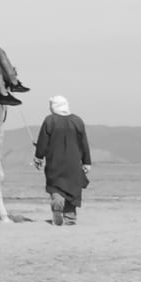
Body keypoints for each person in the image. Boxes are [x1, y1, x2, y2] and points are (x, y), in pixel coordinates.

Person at [33, 95, 91, 226]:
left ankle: (57, 201)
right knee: (72, 187)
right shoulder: (78, 121)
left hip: (55, 161)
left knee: (56, 186)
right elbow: (84, 143)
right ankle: (70, 217)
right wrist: (87, 162)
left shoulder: (49, 120)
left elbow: (43, 142)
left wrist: (38, 156)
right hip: (74, 162)